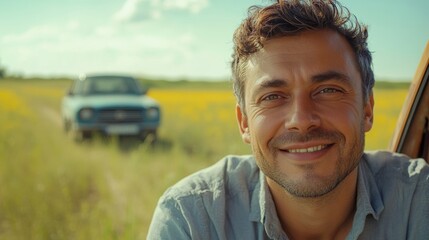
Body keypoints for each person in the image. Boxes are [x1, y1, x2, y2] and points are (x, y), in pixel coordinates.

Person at [147, 1, 429, 239]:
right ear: (244, 122)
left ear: (367, 109)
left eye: (328, 90)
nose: (302, 120)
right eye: (272, 96)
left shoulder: (419, 200)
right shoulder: (192, 219)